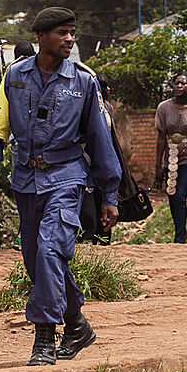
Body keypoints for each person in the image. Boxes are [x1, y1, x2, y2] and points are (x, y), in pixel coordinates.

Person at [0, 7, 120, 366]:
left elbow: (101, 140)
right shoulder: (15, 77)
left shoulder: (84, 81)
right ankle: (77, 323)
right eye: (62, 33)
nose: (69, 39)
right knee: (36, 263)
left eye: (72, 32)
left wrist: (109, 195)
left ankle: (44, 338)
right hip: (26, 180)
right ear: (41, 36)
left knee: (51, 252)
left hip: (66, 177)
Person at [153, 72, 187, 244]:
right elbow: (161, 138)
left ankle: (179, 238)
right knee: (172, 195)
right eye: (176, 83)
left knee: (181, 194)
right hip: (171, 156)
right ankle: (180, 231)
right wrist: (158, 166)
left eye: (183, 83)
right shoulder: (163, 107)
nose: (179, 86)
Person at [79, 71, 114, 245]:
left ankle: (103, 239)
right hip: (83, 162)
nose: (108, 89)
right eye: (104, 86)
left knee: (103, 201)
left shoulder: (107, 108)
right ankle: (87, 238)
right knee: (87, 208)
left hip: (101, 162)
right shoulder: (82, 106)